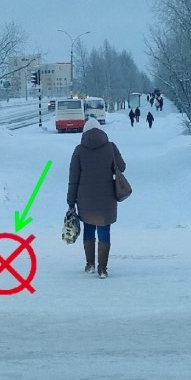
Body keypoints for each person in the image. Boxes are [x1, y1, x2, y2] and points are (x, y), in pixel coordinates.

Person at [67, 117, 126, 279]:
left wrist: (70, 201)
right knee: (104, 230)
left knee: (89, 228)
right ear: (101, 131)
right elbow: (122, 167)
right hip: (106, 197)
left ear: (84, 132)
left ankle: (90, 264)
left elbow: (73, 178)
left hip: (85, 198)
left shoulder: (79, 150)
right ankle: (103, 269)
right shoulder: (110, 147)